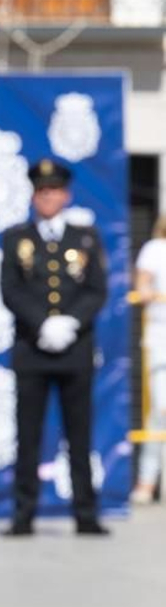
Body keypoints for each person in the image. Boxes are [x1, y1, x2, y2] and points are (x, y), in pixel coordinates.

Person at [0, 158, 110, 536]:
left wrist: (70, 321)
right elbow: (10, 289)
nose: (48, 198)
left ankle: (86, 513)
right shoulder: (17, 239)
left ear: (66, 195)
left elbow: (96, 289)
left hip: (75, 350)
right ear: (34, 197)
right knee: (28, 436)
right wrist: (42, 322)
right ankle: (23, 513)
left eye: (54, 191)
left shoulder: (84, 237)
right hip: (32, 349)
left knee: (79, 436)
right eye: (42, 192)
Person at [131, 214, 166, 503]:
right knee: (161, 408)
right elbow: (141, 286)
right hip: (161, 335)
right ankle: (147, 479)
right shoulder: (155, 248)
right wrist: (151, 294)